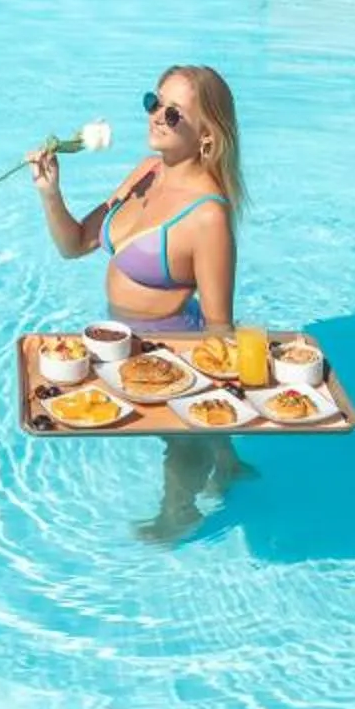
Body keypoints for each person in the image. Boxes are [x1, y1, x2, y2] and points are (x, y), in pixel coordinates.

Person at [30, 63, 250, 541]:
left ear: (207, 136)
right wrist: (51, 193)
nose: (156, 116)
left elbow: (217, 328)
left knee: (177, 436)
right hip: (123, 341)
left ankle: (179, 516)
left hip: (173, 347)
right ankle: (229, 464)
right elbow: (76, 244)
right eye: (154, 102)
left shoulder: (207, 217)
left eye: (173, 113)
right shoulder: (147, 173)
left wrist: (205, 397)